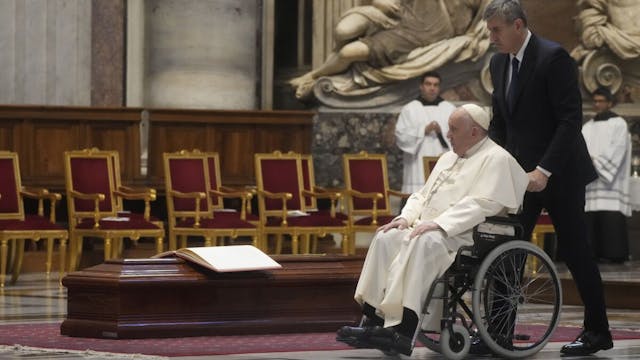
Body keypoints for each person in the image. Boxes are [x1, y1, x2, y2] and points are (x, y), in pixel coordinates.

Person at [336, 104, 529, 356]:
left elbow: (482, 204)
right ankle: (374, 322)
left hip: (465, 234)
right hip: (428, 228)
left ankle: (403, 331)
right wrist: (405, 218)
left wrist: (439, 223)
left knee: (423, 241)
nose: (447, 134)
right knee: (386, 237)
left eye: (453, 129)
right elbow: (422, 195)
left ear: (474, 132)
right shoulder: (448, 158)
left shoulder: (498, 158)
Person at [483, 0, 613, 355]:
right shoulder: (498, 62)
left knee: (575, 252)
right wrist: (483, 161)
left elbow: (570, 120)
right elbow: (500, 123)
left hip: (562, 173)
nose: (491, 37)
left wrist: (545, 170)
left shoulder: (553, 57)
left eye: (496, 30)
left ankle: (598, 332)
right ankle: (498, 334)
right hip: (521, 176)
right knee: (508, 252)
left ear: (518, 26)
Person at [582, 86, 632, 263]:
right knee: (590, 215)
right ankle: (592, 254)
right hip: (591, 180)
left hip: (611, 182)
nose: (597, 104)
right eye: (595, 101)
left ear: (610, 102)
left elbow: (618, 148)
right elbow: (581, 150)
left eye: (601, 101)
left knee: (610, 217)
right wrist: (587, 163)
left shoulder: (619, 124)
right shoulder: (587, 126)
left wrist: (596, 162)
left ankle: (614, 254)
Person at [394, 71, 455, 194]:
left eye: (435, 85)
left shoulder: (450, 109)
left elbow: (459, 135)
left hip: (442, 159)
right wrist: (423, 130)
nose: (432, 88)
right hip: (417, 162)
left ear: (439, 88)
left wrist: (441, 132)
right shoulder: (410, 109)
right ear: (421, 86)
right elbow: (401, 135)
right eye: (428, 84)